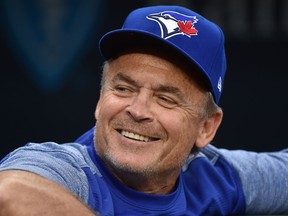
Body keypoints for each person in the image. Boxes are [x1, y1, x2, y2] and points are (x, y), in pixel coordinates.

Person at [0, 5, 287, 216]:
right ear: (100, 100)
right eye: (124, 89)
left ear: (206, 127)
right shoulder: (72, 171)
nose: (137, 111)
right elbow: (9, 193)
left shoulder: (215, 175)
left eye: (165, 99)